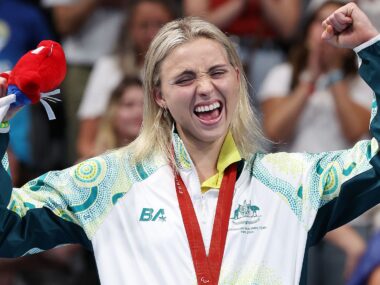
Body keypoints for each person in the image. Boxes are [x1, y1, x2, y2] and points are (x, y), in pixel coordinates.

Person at [0, 3, 379, 285]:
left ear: (236, 78)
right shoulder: (106, 184)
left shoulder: (294, 183)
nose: (204, 87)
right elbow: (6, 228)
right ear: (159, 95)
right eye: (184, 79)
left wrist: (372, 48)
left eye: (217, 72)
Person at [258, 2, 373, 283]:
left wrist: (333, 74)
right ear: (307, 30)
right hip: (294, 208)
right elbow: (273, 131)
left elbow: (354, 130)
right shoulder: (283, 76)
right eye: (318, 22)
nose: (327, 29)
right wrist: (310, 78)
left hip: (348, 211)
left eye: (334, 22)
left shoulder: (362, 81)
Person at [76, 0, 174, 160]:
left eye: (160, 25)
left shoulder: (181, 73)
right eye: (144, 25)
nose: (152, 33)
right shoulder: (107, 68)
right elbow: (85, 142)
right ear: (130, 29)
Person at [93, 76, 144, 157]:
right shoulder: (91, 165)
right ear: (112, 112)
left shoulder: (163, 161)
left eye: (144, 105)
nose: (139, 111)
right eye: (129, 105)